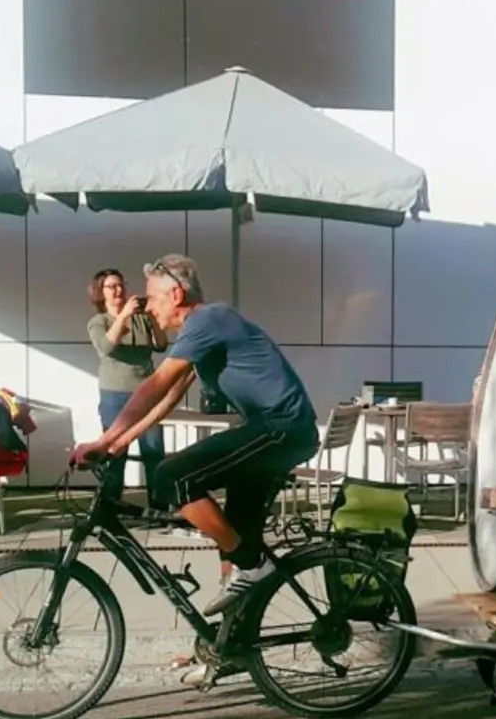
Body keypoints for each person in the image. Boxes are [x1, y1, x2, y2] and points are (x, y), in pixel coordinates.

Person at [70, 254, 320, 621]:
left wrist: (102, 440)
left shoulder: (208, 319)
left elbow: (155, 385)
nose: (147, 307)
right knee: (233, 535)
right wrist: (119, 442)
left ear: (176, 294)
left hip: (281, 428)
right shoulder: (198, 331)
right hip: (273, 430)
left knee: (170, 476)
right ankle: (230, 645)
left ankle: (253, 566)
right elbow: (170, 397)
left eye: (153, 298)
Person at [86, 268, 169, 509]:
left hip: (147, 391)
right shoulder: (98, 322)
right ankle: (112, 507)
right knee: (114, 453)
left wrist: (151, 316)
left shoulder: (140, 318)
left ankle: (159, 506)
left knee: (153, 451)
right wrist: (123, 316)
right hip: (115, 394)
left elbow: (161, 345)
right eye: (111, 287)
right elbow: (106, 347)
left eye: (121, 285)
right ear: (100, 292)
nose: (118, 290)